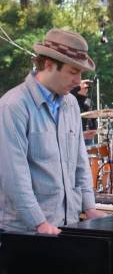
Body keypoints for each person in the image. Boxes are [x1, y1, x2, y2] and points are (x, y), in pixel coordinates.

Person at [0, 28, 105, 234]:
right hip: (24, 233)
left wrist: (89, 207)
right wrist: (39, 222)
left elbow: (80, 163)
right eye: (73, 72)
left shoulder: (72, 104)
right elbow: (13, 175)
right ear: (48, 65)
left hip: (67, 226)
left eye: (80, 73)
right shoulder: (13, 106)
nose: (78, 80)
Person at [70, 79, 97, 144]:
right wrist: (79, 86)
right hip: (74, 134)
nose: (86, 89)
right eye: (84, 88)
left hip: (87, 135)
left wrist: (94, 129)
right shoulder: (72, 98)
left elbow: (93, 116)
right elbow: (70, 92)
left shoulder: (88, 100)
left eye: (87, 88)